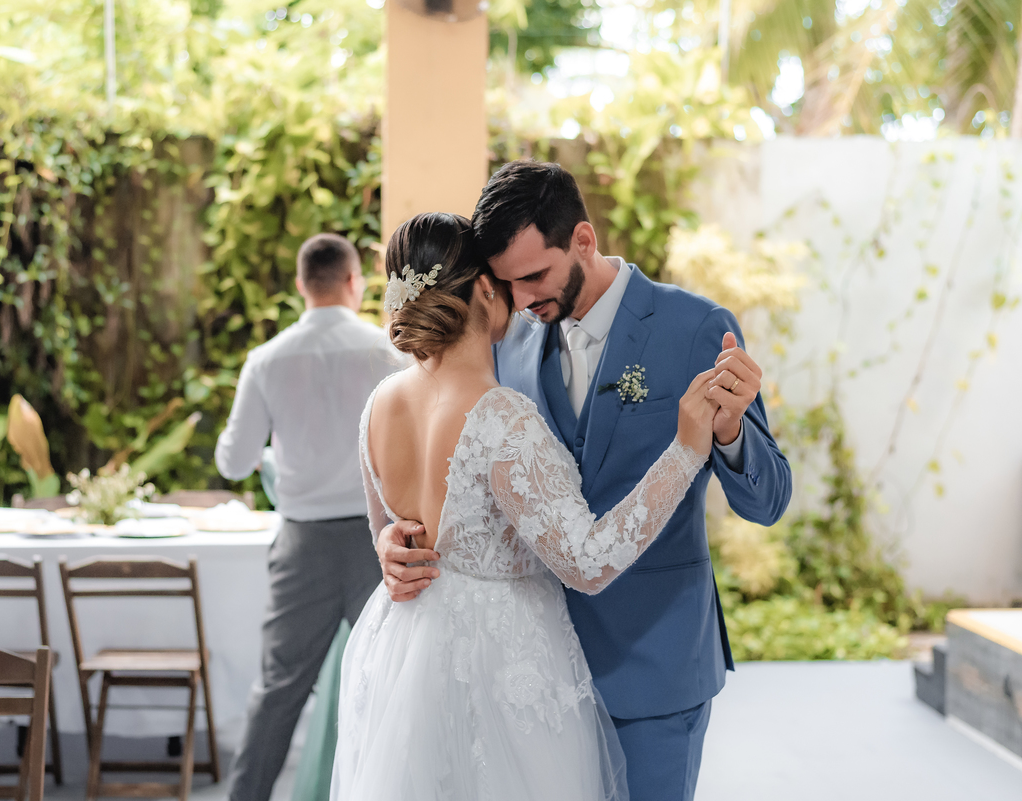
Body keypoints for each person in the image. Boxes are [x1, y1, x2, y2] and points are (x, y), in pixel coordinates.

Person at [376, 161, 793, 800]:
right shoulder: (504, 341)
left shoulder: (695, 329)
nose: (521, 299)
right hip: (527, 674)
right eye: (506, 283)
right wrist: (396, 540)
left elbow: (768, 501)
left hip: (652, 665)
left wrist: (731, 435)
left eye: (535, 276)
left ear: (583, 240)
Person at [330, 212, 721, 800]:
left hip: (405, 654)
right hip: (501, 664)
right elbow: (588, 562)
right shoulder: (499, 415)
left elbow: (387, 532)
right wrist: (686, 452)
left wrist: (390, 547)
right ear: (484, 289)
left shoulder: (380, 404)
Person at [216, 233, 406, 801]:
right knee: (394, 682)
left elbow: (233, 461)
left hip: (302, 547)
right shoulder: (387, 352)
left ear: (301, 286)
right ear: (356, 282)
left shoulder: (267, 360)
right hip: (381, 544)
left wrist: (279, 455)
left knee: (279, 689)